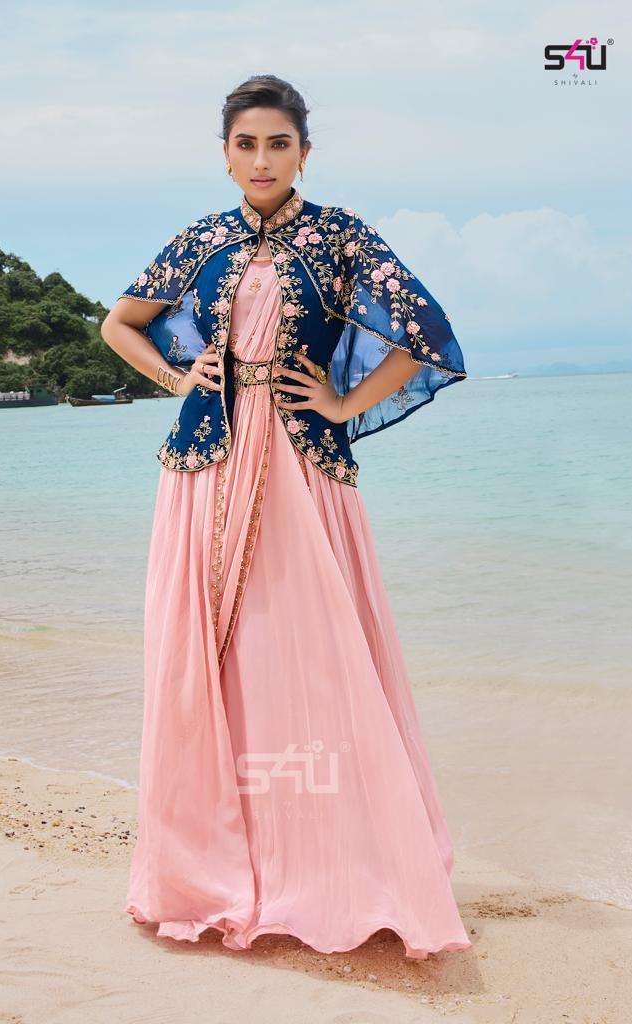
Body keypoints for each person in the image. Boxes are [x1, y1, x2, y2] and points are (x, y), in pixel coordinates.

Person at [100, 74, 471, 959]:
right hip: (207, 464)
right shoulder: (200, 240)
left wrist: (341, 405)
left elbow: (428, 338)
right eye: (246, 145)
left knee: (312, 653)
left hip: (303, 469)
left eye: (278, 144)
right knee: (208, 657)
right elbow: (120, 324)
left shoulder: (341, 237)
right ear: (225, 154)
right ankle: (215, 861)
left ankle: (335, 860)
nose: (261, 160)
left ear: (305, 151)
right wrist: (177, 376)